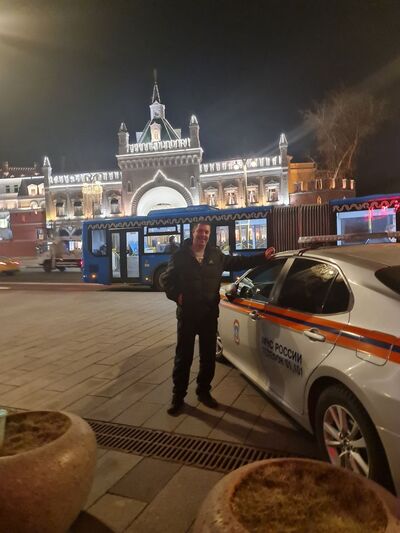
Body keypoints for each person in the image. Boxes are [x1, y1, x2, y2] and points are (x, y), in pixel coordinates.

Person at [162, 221, 275, 415]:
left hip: (208, 315)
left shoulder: (215, 255)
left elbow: (239, 262)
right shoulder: (180, 256)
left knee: (208, 357)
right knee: (183, 357)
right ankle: (178, 397)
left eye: (206, 232)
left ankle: (204, 392)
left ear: (209, 235)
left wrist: (262, 257)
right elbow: (166, 279)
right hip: (187, 315)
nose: (203, 235)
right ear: (193, 233)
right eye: (200, 231)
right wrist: (176, 295)